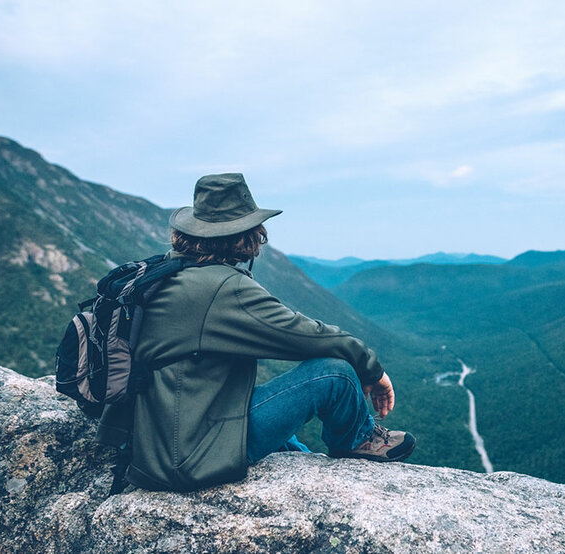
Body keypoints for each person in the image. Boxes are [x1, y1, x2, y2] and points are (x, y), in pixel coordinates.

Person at [98, 173, 415, 492]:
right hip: (190, 455)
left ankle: (307, 462)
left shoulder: (166, 271)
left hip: (154, 441)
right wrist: (372, 369)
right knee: (335, 373)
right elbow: (311, 336)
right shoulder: (221, 287)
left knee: (289, 436)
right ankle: (358, 439)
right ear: (245, 234)